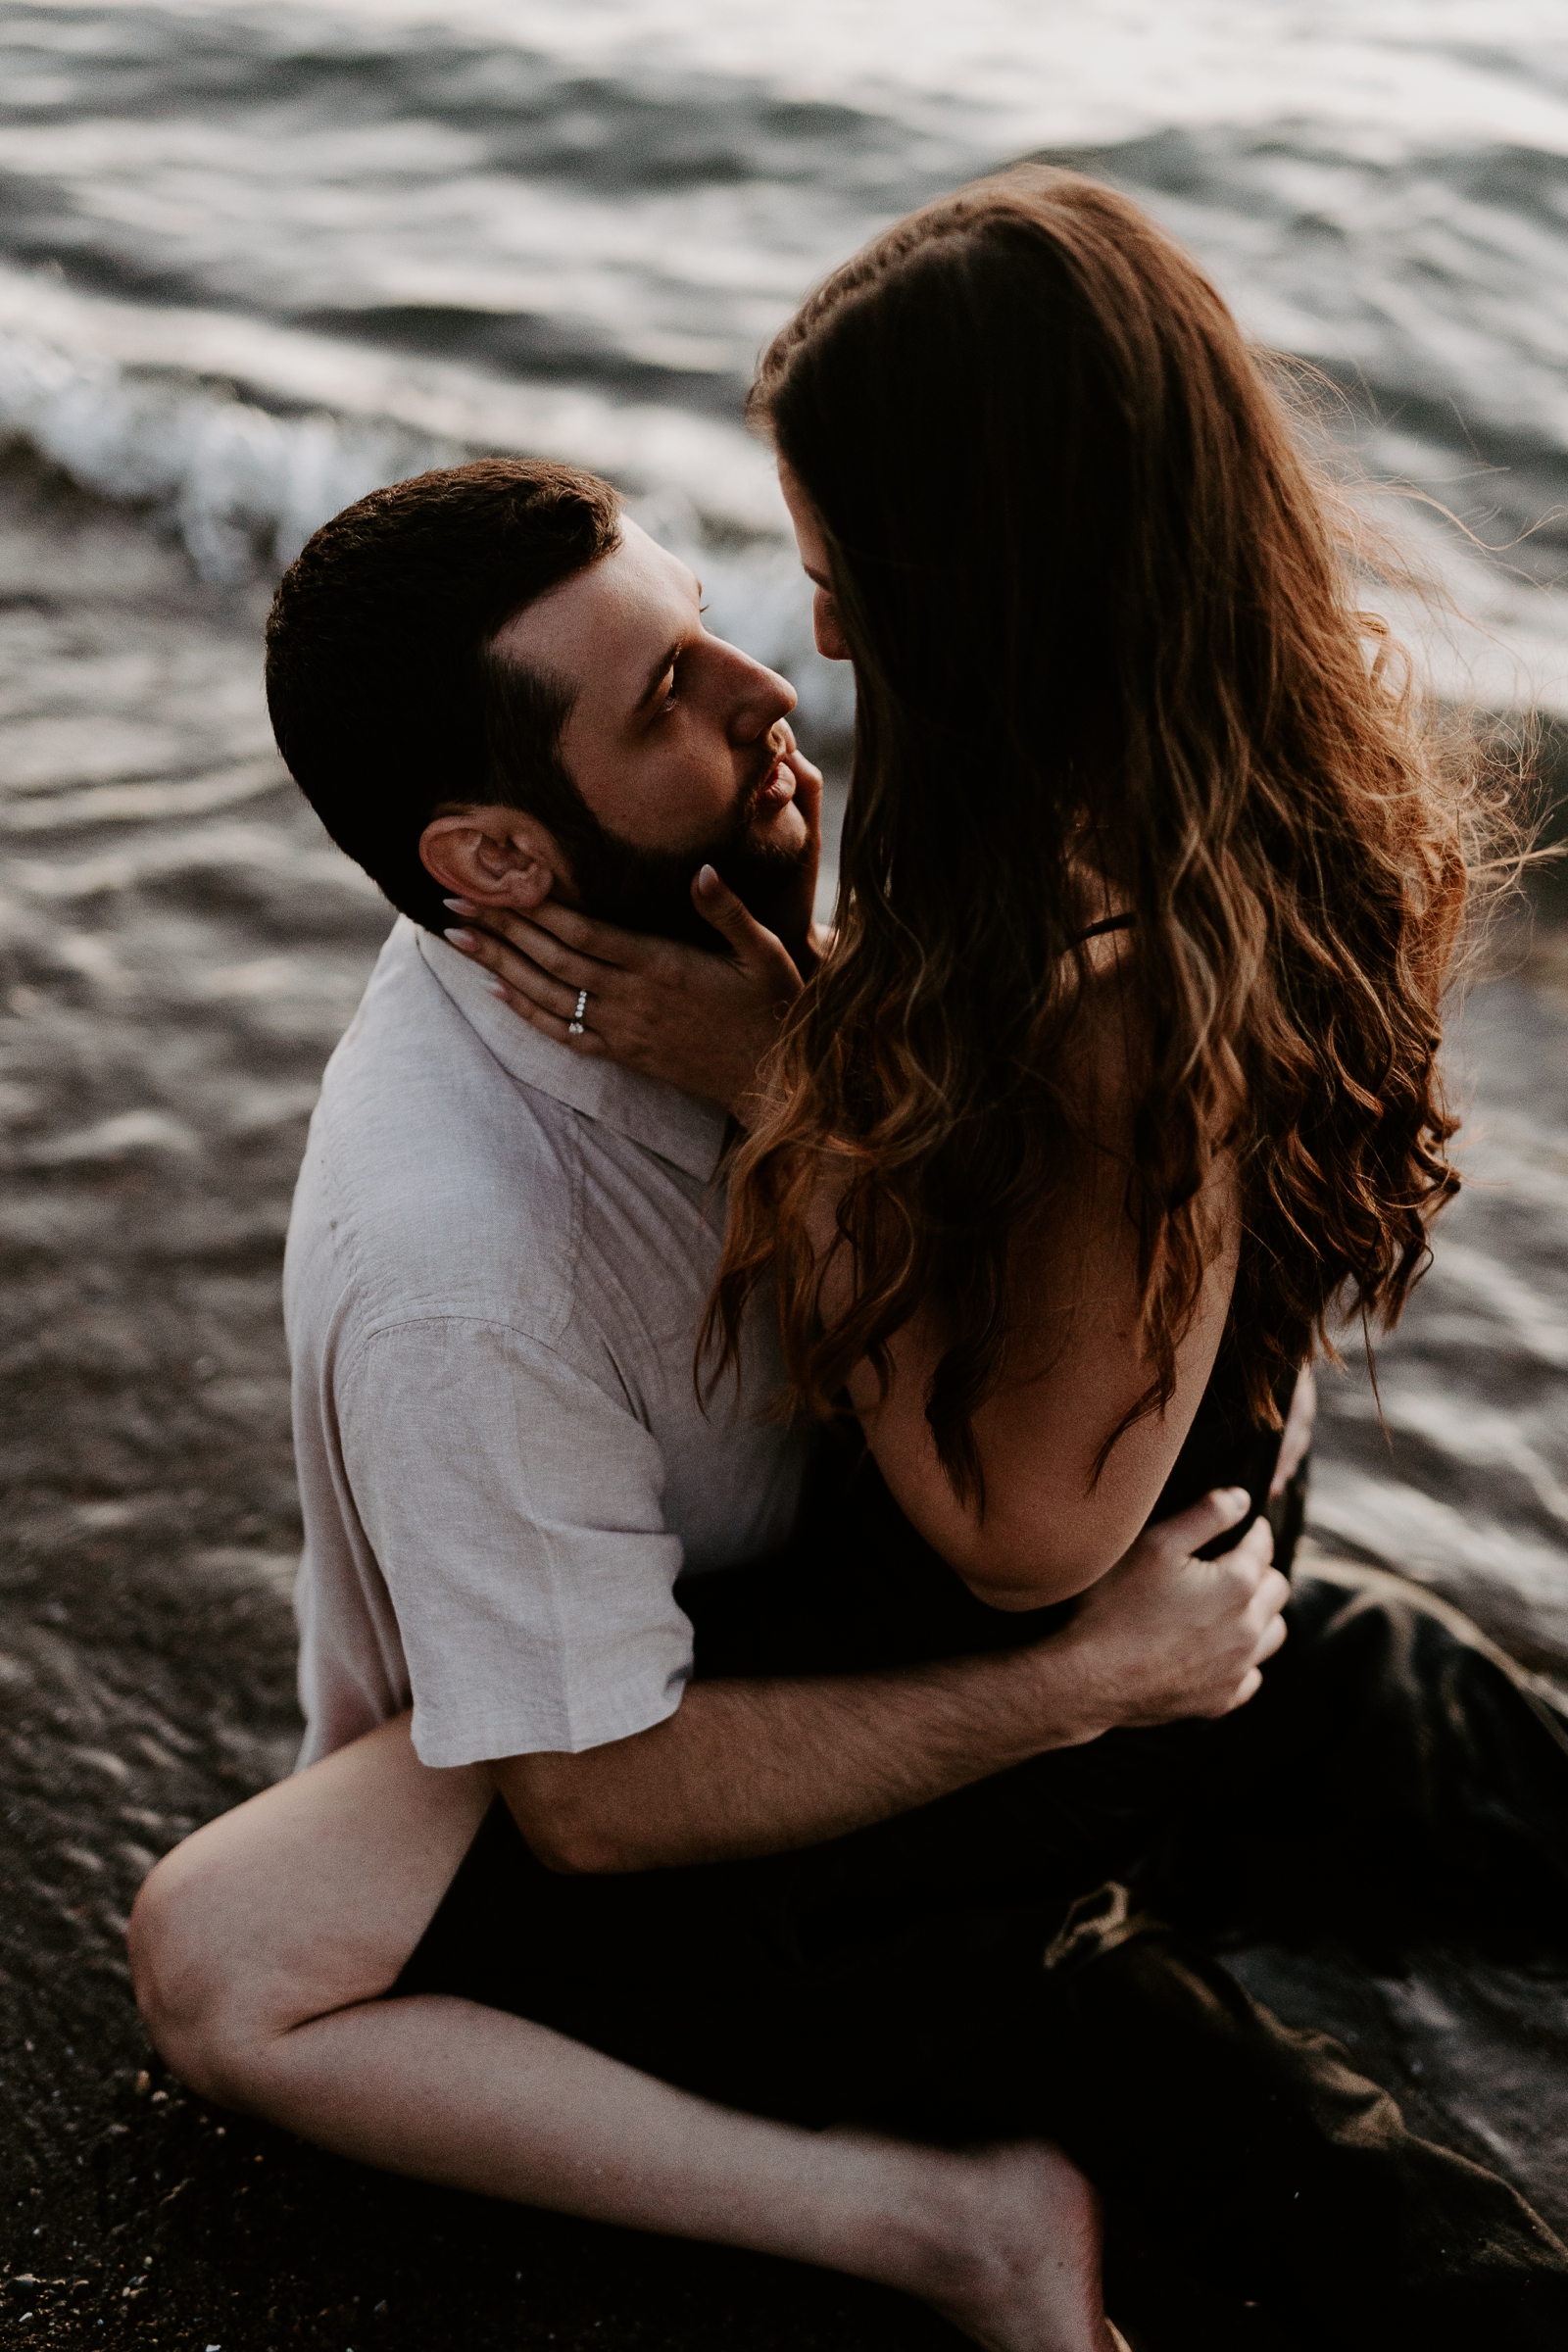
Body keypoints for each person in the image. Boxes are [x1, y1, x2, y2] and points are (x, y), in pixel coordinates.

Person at [129, 170, 1568, 2350]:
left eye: (813, 580)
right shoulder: (1256, 776)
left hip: (1041, 1644)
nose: (803, 655)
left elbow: (1008, 1543)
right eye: (702, 654)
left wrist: (788, 1075)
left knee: (1220, 2092)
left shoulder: (1094, 959)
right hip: (1148, 1574)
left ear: (983, 576)